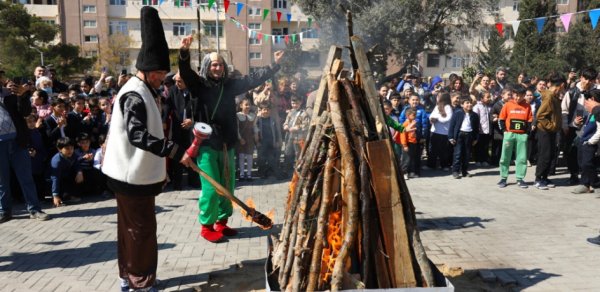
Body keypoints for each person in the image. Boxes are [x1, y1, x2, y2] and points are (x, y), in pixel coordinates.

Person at [101, 7, 190, 291]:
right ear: (145, 70)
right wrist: (172, 150)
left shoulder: (143, 90)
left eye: (164, 72)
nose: (161, 77)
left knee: (132, 230)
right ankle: (140, 282)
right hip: (130, 177)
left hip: (135, 177)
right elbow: (137, 135)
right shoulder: (134, 94)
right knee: (139, 231)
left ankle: (130, 277)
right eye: (158, 73)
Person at [178, 34, 284, 243]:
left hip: (227, 144)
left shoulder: (230, 85)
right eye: (214, 65)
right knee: (211, 187)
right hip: (207, 145)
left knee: (228, 185)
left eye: (220, 64)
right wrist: (183, 53)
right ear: (208, 67)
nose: (217, 68)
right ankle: (207, 226)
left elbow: (253, 78)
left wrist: (273, 65)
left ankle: (222, 223)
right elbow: (185, 72)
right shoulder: (198, 84)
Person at [0, 89, 50, 223]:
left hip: (18, 142)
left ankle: (34, 209)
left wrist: (22, 96)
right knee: (1, 181)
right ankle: (4, 211)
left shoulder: (11, 94)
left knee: (26, 178)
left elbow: (26, 112)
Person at [163, 72, 200, 190]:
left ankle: (193, 180)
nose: (177, 83)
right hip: (177, 129)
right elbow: (167, 106)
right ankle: (177, 182)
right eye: (176, 81)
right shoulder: (173, 90)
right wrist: (164, 121)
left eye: (180, 81)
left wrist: (193, 120)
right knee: (177, 154)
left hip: (191, 129)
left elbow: (199, 108)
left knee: (192, 153)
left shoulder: (194, 91)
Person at [561, 67, 597, 185]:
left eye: (591, 79)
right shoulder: (572, 92)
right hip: (574, 128)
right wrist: (568, 125)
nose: (587, 82)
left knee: (589, 154)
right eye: (585, 78)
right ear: (581, 77)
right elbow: (564, 111)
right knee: (571, 152)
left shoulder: (597, 92)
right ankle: (574, 175)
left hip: (593, 127)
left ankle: (588, 178)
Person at [497, 84, 533, 188]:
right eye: (516, 95)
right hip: (509, 134)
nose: (518, 98)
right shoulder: (508, 105)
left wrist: (526, 133)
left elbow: (530, 121)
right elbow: (501, 119)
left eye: (521, 96)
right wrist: (504, 131)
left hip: (522, 135)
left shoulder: (527, 106)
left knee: (522, 157)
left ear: (524, 95)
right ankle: (503, 178)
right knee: (505, 157)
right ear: (513, 94)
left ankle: (520, 178)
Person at [534, 73, 565, 190]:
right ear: (561, 85)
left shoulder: (555, 96)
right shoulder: (549, 96)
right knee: (545, 155)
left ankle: (545, 178)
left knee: (551, 154)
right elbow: (540, 115)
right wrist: (551, 126)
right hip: (545, 131)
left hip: (551, 131)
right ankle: (538, 179)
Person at [572, 89, 600, 194]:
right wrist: (576, 123)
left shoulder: (598, 113)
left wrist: (591, 142)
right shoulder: (589, 112)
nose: (585, 103)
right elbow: (584, 126)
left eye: (586, 101)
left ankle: (596, 184)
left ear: (592, 99)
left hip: (591, 142)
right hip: (583, 141)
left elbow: (599, 131)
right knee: (582, 164)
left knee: (587, 164)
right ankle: (585, 184)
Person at [448, 98, 479, 179]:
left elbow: (476, 128)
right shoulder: (457, 113)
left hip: (469, 135)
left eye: (471, 103)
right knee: (457, 154)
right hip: (459, 135)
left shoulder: (475, 115)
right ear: (462, 105)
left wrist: (476, 138)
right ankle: (455, 171)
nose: (469, 104)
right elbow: (452, 125)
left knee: (467, 154)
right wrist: (451, 137)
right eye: (467, 102)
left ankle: (464, 171)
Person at [50, 137, 83, 206]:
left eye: (72, 148)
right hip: (56, 180)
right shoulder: (57, 161)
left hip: (67, 177)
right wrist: (55, 195)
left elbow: (77, 164)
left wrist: (79, 172)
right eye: (67, 149)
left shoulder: (73, 155)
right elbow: (55, 178)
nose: (70, 151)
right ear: (59, 149)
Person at [282, 96, 309, 173]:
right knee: (288, 153)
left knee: (298, 154)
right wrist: (285, 125)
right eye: (293, 103)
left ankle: (298, 171)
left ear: (300, 102)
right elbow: (286, 121)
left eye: (296, 103)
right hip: (289, 136)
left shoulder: (303, 113)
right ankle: (286, 170)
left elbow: (306, 125)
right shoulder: (290, 112)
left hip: (298, 137)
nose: (294, 105)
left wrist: (298, 128)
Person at [256, 102, 283, 180]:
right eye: (264, 110)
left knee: (272, 158)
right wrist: (257, 142)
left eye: (267, 110)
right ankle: (262, 173)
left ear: (270, 111)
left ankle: (274, 173)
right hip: (262, 142)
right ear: (260, 110)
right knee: (261, 159)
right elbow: (255, 131)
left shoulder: (272, 120)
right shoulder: (258, 120)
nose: (266, 111)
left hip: (271, 142)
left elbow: (276, 130)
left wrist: (278, 140)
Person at [427, 92, 453, 170]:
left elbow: (447, 119)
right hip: (435, 131)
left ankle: (444, 165)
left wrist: (437, 118)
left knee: (444, 150)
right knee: (432, 149)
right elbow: (431, 115)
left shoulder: (448, 107)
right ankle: (431, 165)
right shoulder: (437, 106)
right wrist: (433, 118)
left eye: (439, 97)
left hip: (444, 132)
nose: (437, 98)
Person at [236, 98, 258, 181]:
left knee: (249, 156)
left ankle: (249, 174)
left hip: (250, 138)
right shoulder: (238, 115)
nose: (248, 106)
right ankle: (242, 174)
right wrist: (240, 138)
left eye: (249, 104)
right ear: (241, 105)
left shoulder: (253, 115)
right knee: (241, 157)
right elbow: (237, 128)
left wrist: (256, 134)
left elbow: (254, 126)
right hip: (241, 138)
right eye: (246, 104)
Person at [472, 91, 493, 166]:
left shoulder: (488, 106)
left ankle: (484, 159)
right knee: (478, 146)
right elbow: (475, 119)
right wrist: (477, 129)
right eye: (487, 97)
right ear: (481, 98)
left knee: (485, 146)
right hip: (480, 130)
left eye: (489, 97)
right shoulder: (477, 107)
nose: (489, 99)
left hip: (487, 130)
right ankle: (478, 160)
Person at [400, 108, 420, 178]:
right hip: (408, 143)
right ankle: (404, 173)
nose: (415, 116)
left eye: (415, 115)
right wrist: (405, 145)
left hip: (413, 143)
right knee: (406, 159)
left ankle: (411, 172)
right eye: (413, 115)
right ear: (408, 116)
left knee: (412, 158)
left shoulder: (413, 123)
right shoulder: (405, 124)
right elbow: (403, 135)